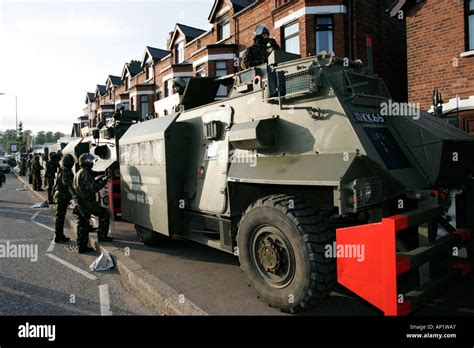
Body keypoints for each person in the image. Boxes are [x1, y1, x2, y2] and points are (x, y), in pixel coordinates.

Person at [73, 153, 112, 254]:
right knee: (104, 213)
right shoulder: (85, 173)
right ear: (85, 162)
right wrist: (105, 180)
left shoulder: (80, 172)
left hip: (82, 203)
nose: (91, 162)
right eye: (89, 161)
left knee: (82, 225)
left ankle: (82, 246)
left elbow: (93, 175)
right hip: (87, 203)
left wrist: (102, 173)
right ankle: (102, 236)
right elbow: (93, 188)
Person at [53, 154, 73, 244]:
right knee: (60, 217)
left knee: (60, 216)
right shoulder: (65, 171)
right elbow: (67, 184)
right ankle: (58, 236)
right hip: (62, 196)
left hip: (61, 195)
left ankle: (59, 235)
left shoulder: (63, 169)